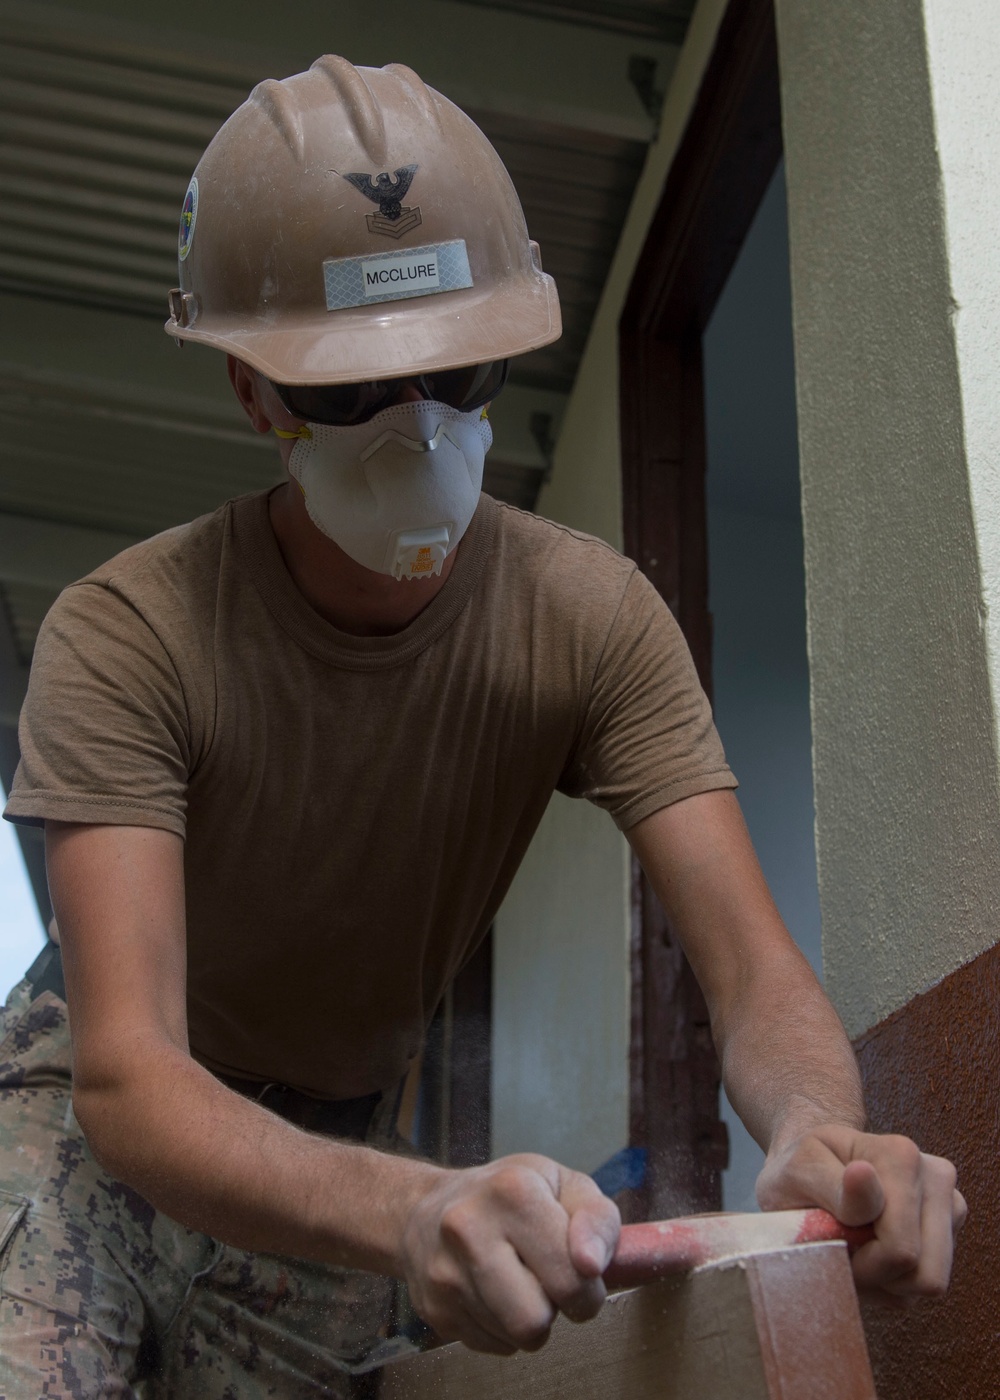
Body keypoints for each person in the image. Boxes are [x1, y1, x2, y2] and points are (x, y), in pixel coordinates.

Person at [0, 54, 964, 1399]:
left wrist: (821, 1128)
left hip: (347, 1129)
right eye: (351, 391)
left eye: (463, 373)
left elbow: (749, 971)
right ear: (253, 396)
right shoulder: (128, 634)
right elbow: (130, 1072)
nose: (420, 430)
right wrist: (410, 1210)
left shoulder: (592, 623)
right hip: (96, 1115)